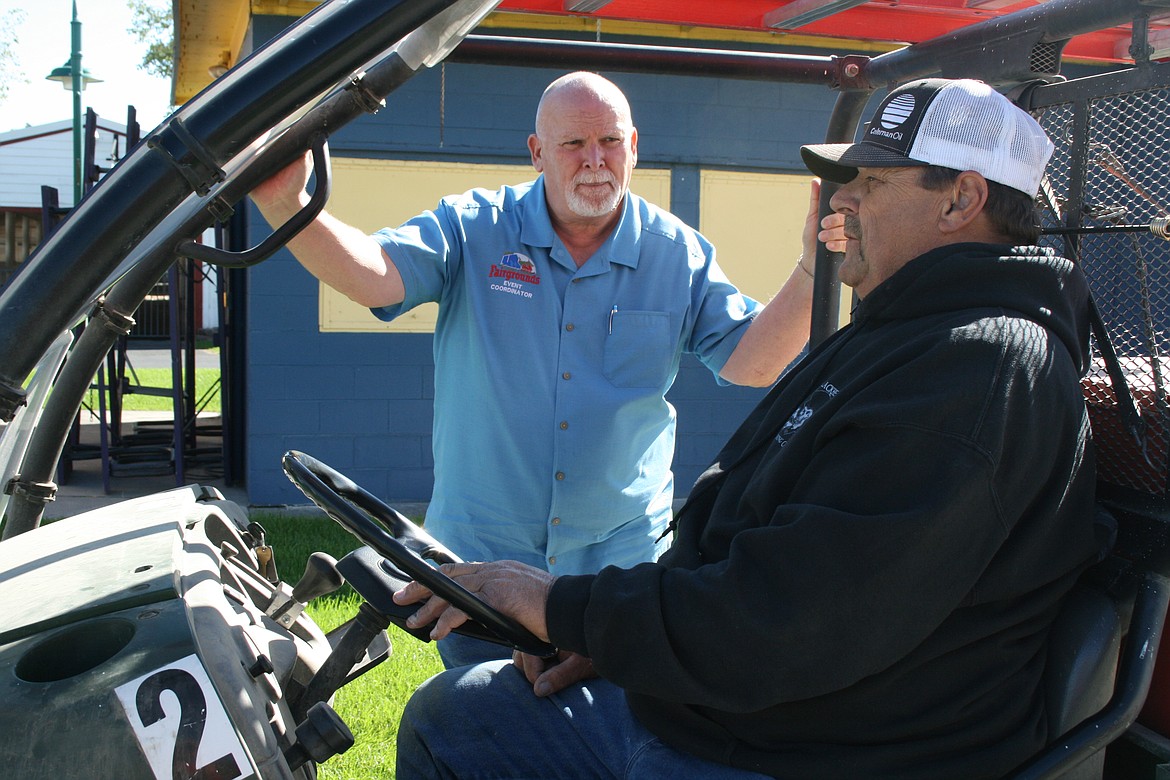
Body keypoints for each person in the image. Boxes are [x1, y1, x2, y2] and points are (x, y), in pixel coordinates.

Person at [391, 78, 1103, 778]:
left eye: (872, 182)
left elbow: (795, 617)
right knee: (456, 719)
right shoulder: (901, 337)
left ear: (961, 200)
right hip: (727, 712)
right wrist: (619, 638)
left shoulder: (979, 371)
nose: (842, 199)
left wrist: (565, 606)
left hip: (813, 750)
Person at [253, 71, 826, 667]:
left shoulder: (675, 254)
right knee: (482, 723)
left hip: (618, 562)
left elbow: (754, 362)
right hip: (479, 560)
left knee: (611, 732)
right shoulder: (473, 227)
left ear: (634, 147)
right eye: (573, 144)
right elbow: (373, 274)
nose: (594, 160)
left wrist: (813, 268)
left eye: (608, 141)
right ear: (536, 153)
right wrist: (286, 203)